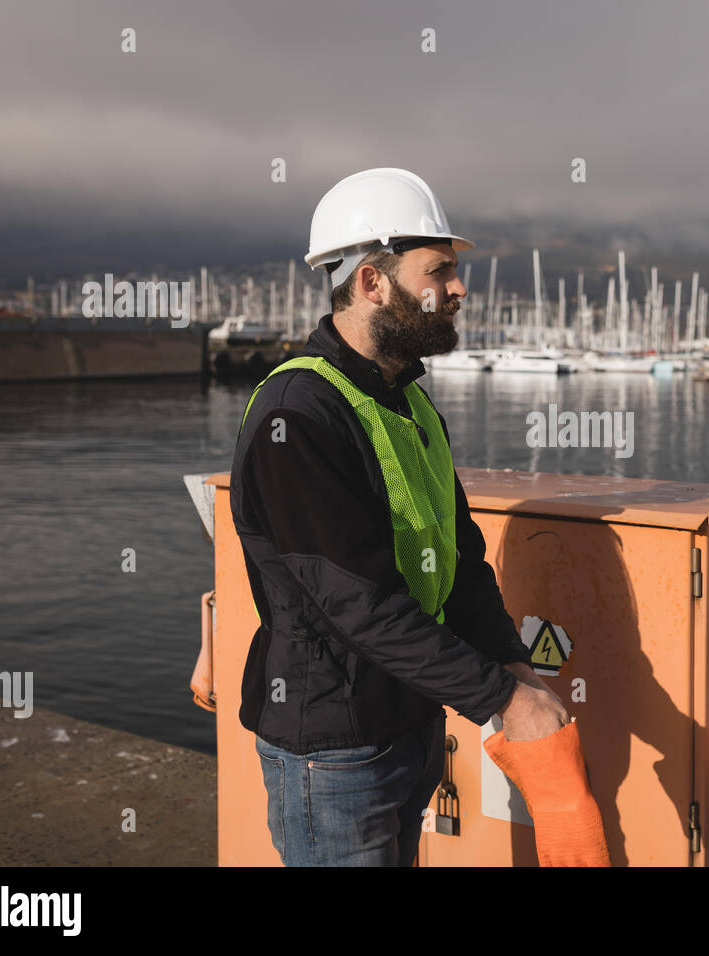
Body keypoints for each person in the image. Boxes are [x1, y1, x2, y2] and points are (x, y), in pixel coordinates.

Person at [229, 168, 569, 866]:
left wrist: (510, 659)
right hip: (335, 753)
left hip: (408, 723)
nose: (458, 289)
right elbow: (357, 605)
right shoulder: (299, 415)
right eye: (438, 271)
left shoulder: (409, 404)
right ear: (371, 283)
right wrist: (502, 697)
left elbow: (461, 560)